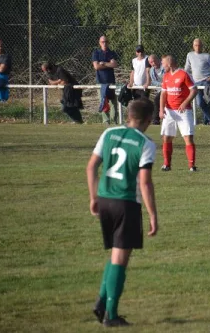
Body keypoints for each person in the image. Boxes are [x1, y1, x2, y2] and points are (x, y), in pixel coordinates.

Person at [86, 98, 158, 327]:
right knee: (120, 258)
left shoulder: (109, 133)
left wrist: (93, 197)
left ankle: (101, 302)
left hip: (105, 199)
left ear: (128, 115)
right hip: (126, 203)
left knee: (115, 255)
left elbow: (91, 166)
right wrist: (153, 215)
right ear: (149, 120)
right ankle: (111, 315)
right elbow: (145, 183)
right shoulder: (145, 143)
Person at [159, 54, 198, 172]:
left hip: (184, 112)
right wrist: (161, 110)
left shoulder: (183, 74)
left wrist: (185, 103)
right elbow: (163, 94)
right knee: (166, 138)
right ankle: (167, 164)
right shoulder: (165, 76)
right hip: (169, 112)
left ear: (169, 63)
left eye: (163, 63)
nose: (162, 65)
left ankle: (191, 166)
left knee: (188, 137)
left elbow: (194, 90)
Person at [184, 38, 210, 125]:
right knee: (200, 103)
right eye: (196, 45)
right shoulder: (189, 55)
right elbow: (186, 69)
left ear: (202, 46)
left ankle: (207, 122)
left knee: (208, 102)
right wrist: (188, 79)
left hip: (206, 82)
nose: (197, 47)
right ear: (193, 46)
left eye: (199, 45)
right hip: (195, 83)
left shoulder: (207, 56)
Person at [92, 35, 119, 125]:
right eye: (102, 42)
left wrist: (103, 63)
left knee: (113, 103)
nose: (104, 43)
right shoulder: (96, 53)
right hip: (100, 82)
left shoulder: (111, 53)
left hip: (111, 81)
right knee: (103, 101)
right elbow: (96, 66)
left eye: (106, 41)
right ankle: (106, 121)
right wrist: (108, 64)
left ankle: (114, 121)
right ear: (99, 43)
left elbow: (114, 64)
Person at [148, 54, 165, 125]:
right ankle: (156, 120)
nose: (153, 63)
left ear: (158, 60)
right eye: (151, 62)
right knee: (157, 101)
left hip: (168, 89)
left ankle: (155, 119)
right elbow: (153, 81)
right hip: (160, 89)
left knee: (156, 100)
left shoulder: (164, 67)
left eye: (154, 61)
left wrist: (164, 83)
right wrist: (160, 84)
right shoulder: (151, 70)